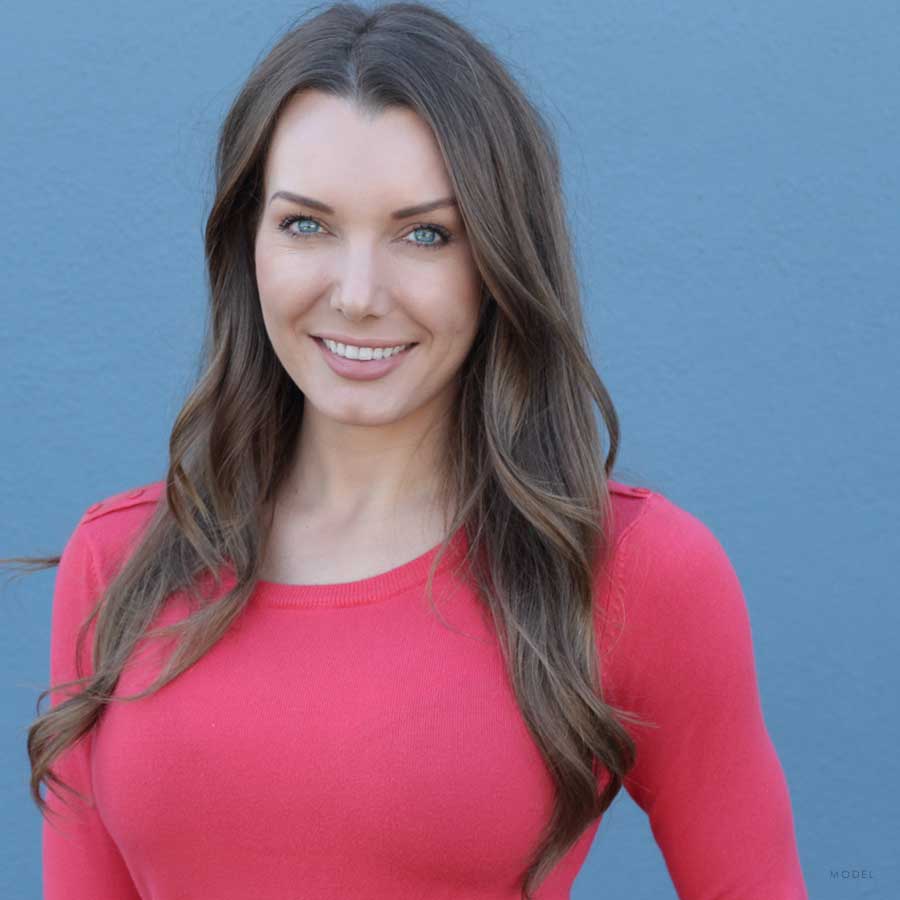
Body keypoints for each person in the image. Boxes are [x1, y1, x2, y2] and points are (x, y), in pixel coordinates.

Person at [8, 2, 808, 897]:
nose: (356, 295)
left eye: (425, 234)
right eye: (306, 224)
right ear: (248, 243)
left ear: (501, 261)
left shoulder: (633, 573)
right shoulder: (122, 563)